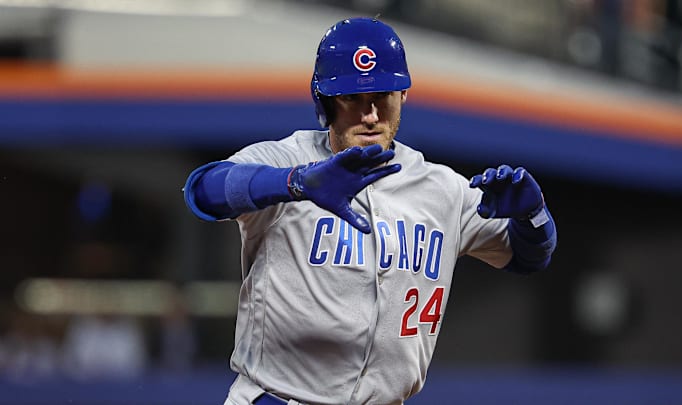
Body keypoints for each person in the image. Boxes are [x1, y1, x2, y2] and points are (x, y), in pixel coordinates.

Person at [183, 17, 557, 405]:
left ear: (404, 96)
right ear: (323, 101)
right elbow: (203, 191)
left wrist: (533, 216)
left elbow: (528, 257)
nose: (370, 115)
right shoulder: (288, 159)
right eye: (352, 99)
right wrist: (293, 183)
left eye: (383, 96)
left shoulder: (444, 190)